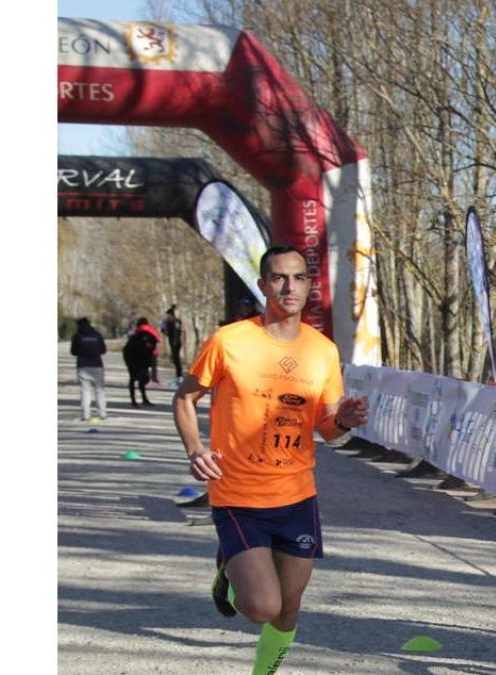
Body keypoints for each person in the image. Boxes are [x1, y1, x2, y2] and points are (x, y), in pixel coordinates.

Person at [172, 244, 368, 674]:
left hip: (297, 496)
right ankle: (229, 568)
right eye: (279, 277)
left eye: (298, 277)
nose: (289, 286)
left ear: (309, 285)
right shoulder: (230, 341)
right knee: (262, 606)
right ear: (263, 285)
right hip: (238, 494)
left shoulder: (323, 351)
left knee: (289, 605)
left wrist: (346, 421)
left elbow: (327, 428)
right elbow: (185, 398)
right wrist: (195, 450)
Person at [70, 317, 107, 421]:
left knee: (85, 391)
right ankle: (102, 413)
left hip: (83, 365)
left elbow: (73, 352)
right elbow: (103, 350)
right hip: (97, 365)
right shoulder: (97, 335)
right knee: (99, 390)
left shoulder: (77, 336)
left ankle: (86, 415)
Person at [123, 317, 159, 408]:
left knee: (133, 379)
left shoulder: (135, 335)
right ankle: (141, 399)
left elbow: (127, 350)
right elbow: (155, 343)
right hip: (140, 359)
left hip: (133, 359)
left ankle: (134, 400)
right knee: (142, 379)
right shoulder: (150, 333)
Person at [137, 316, 163, 383]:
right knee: (153, 366)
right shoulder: (152, 329)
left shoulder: (139, 330)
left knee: (143, 365)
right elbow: (158, 338)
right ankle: (154, 379)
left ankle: (144, 378)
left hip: (142, 351)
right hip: (153, 351)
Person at [162, 304, 185, 380]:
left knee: (176, 359)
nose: (167, 317)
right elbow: (167, 332)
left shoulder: (174, 322)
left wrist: (175, 340)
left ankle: (179, 375)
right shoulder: (172, 322)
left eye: (168, 315)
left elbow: (176, 332)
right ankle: (178, 375)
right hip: (173, 341)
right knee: (175, 359)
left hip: (175, 342)